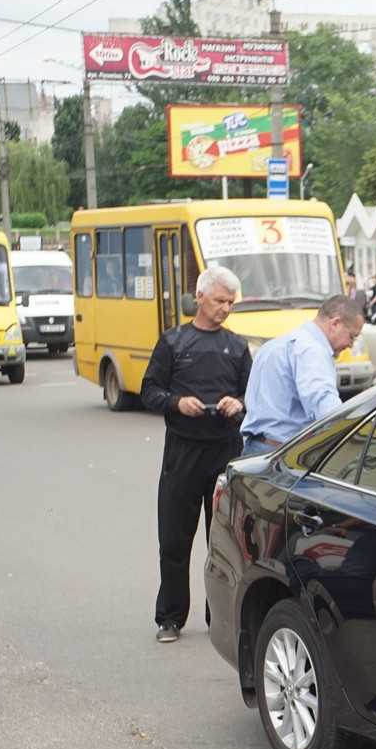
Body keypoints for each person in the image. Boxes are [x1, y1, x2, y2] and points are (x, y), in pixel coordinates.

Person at [138, 267, 251, 644]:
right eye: (220, 301)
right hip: (183, 452)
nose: (225, 309)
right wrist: (175, 402)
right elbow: (149, 391)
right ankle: (170, 616)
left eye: (231, 303)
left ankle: (219, 616)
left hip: (225, 451)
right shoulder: (173, 343)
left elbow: (253, 398)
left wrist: (239, 404)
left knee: (222, 541)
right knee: (174, 539)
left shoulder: (236, 347)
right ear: (200, 297)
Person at [241, 295, 363, 458]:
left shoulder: (274, 346)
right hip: (281, 455)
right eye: (352, 336)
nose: (351, 345)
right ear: (335, 323)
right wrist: (357, 435)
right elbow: (326, 408)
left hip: (254, 450)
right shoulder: (313, 350)